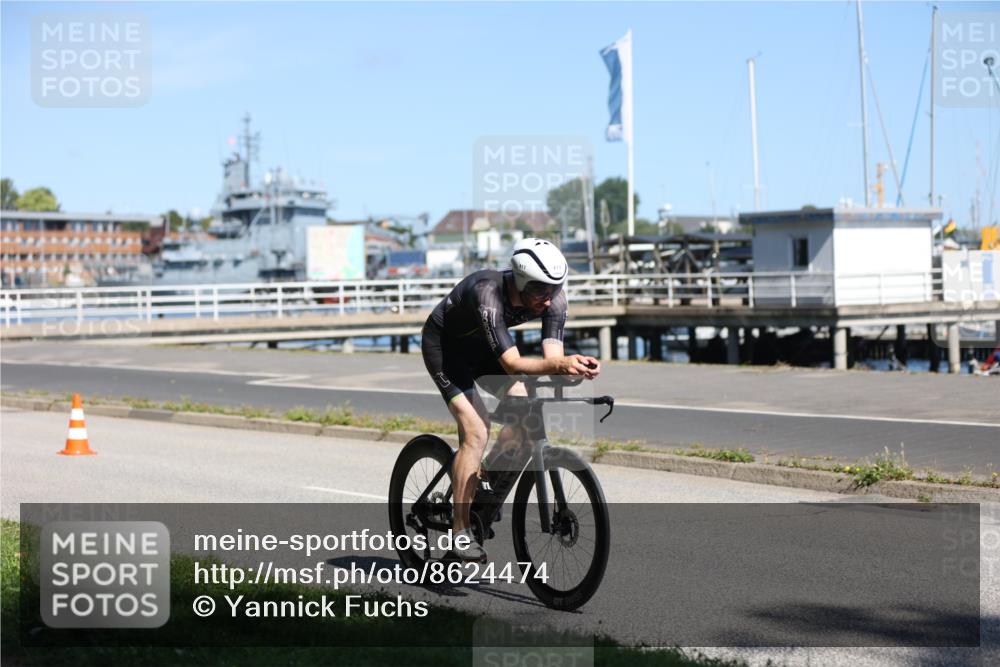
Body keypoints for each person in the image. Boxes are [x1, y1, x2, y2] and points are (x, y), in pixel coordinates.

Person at [420, 238, 600, 561]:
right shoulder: (487, 293)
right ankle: (459, 533)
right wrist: (560, 365)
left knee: (523, 414)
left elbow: (552, 358)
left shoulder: (553, 299)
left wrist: (574, 368)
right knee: (477, 431)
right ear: (520, 281)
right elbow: (514, 364)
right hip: (446, 350)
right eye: (540, 291)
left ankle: (482, 479)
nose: (548, 300)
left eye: (554, 289)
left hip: (485, 351)